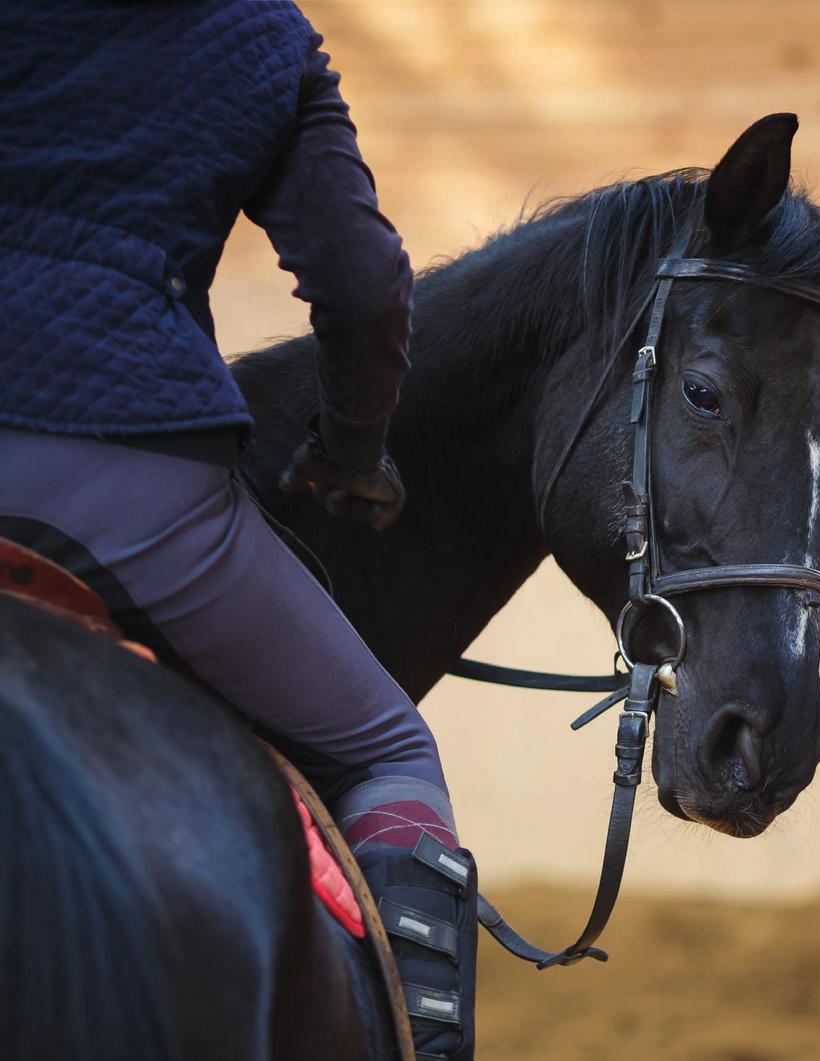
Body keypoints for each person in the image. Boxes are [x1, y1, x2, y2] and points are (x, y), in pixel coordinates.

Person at [0, 1, 475, 1057]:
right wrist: (353, 448)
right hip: (126, 484)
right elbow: (361, 287)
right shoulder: (262, 34)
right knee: (389, 746)